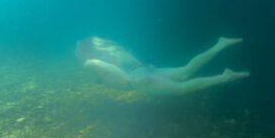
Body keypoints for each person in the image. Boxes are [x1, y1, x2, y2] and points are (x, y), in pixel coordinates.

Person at [76, 36, 249, 96]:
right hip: (144, 69)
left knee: (180, 88)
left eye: (80, 51)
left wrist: (133, 81)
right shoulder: (109, 50)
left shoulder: (92, 62)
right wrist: (145, 68)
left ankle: (225, 77)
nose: (79, 55)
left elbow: (111, 71)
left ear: (86, 51)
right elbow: (128, 60)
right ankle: (220, 44)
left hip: (138, 79)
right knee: (184, 71)